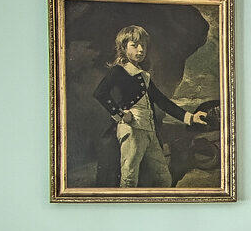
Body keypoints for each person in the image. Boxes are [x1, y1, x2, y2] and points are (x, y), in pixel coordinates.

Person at [87, 22, 215, 188]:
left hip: (149, 131)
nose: (141, 50)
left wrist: (190, 117)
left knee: (163, 177)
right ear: (124, 48)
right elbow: (100, 93)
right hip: (132, 130)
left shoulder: (144, 76)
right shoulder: (118, 71)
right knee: (129, 178)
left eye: (143, 45)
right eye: (135, 45)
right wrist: (120, 114)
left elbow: (162, 101)